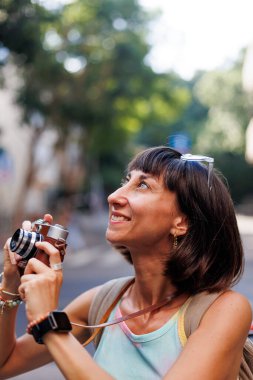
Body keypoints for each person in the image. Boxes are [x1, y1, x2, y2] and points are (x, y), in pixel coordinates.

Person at [0, 145, 252, 380]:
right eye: (126, 181)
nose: (114, 196)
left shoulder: (224, 311)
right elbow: (5, 364)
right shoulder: (104, 303)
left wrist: (48, 323)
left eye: (142, 185)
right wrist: (10, 286)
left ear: (182, 222)